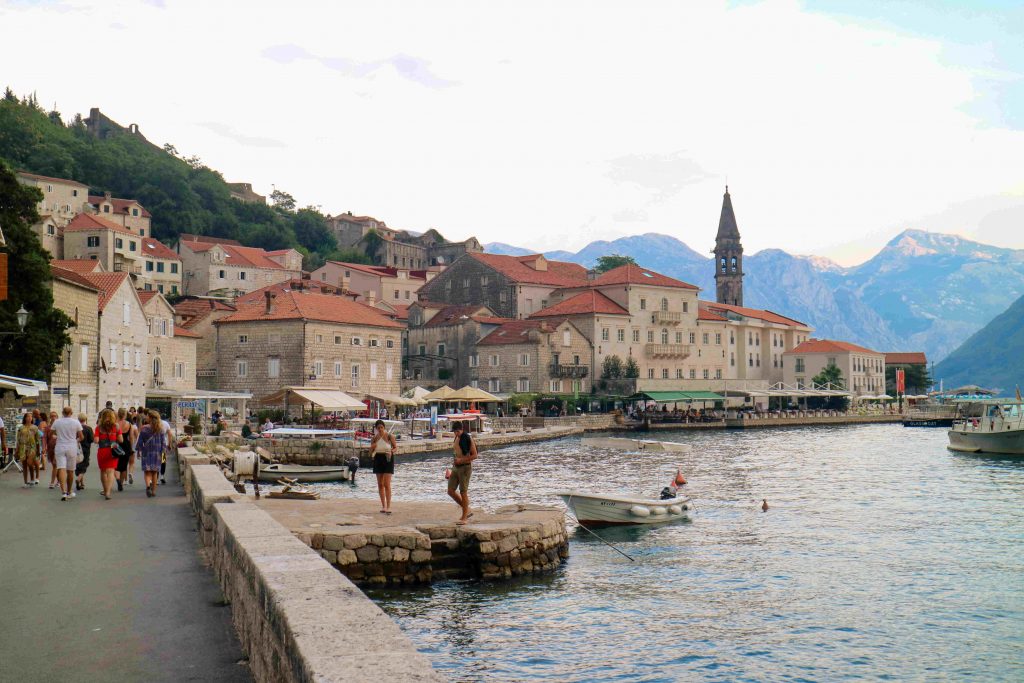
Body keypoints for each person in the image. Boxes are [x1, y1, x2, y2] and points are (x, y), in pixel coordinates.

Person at [448, 421, 478, 525]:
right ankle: (467, 510)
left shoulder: (467, 438)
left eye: (458, 431)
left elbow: (474, 455)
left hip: (465, 467)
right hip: (456, 467)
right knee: (450, 491)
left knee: (463, 492)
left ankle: (464, 517)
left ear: (461, 430)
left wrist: (461, 460)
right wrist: (451, 468)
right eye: (455, 432)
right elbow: (456, 453)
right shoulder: (456, 438)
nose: (456, 433)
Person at [52, 406, 83, 502]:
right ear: (71, 412)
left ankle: (63, 491)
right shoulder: (76, 422)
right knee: (70, 470)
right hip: (71, 447)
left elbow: (53, 434)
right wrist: (75, 440)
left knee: (61, 468)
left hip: (60, 446)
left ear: (62, 412)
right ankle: (69, 491)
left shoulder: (57, 422)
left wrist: (58, 436)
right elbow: (81, 437)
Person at [135, 410, 167, 498]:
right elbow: (163, 443)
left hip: (147, 452)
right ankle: (153, 491)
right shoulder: (161, 429)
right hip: (157, 453)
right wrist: (163, 454)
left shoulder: (144, 429)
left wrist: (138, 451)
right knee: (155, 472)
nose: (146, 418)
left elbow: (140, 441)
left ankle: (148, 486)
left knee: (147, 471)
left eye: (148, 416)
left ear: (150, 418)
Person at [370, 419, 398, 514]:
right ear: (376, 429)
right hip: (378, 458)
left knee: (387, 483)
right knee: (380, 484)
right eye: (378, 428)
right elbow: (370, 452)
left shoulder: (390, 436)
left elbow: (395, 448)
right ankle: (383, 506)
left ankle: (388, 506)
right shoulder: (374, 438)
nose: (380, 429)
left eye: (382, 427)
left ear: (384, 427)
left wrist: (391, 451)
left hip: (388, 458)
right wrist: (371, 448)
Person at [94, 409, 122, 500]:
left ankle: (105, 490)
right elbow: (121, 440)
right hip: (113, 451)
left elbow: (96, 441)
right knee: (111, 471)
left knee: (103, 471)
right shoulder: (116, 427)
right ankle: (108, 492)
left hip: (102, 451)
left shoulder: (98, 428)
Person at [16, 413, 40, 488]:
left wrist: (38, 449)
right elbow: (18, 440)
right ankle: (25, 482)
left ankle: (32, 478)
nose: (30, 418)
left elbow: (37, 440)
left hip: (32, 447)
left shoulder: (35, 427)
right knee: (24, 465)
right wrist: (17, 450)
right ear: (25, 418)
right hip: (23, 447)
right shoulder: (21, 428)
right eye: (28, 417)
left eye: (31, 417)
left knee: (30, 463)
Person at [115, 408, 137, 491]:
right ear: (125, 415)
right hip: (126, 445)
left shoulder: (115, 424)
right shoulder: (129, 424)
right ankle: (121, 483)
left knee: (115, 465)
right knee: (123, 466)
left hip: (116, 445)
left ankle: (117, 479)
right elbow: (131, 437)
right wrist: (131, 447)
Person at [76, 414, 93, 491]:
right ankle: (79, 479)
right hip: (86, 448)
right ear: (85, 419)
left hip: (77, 448)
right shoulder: (88, 428)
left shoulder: (76, 428)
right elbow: (91, 439)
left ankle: (82, 483)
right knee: (85, 464)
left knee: (79, 464)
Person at [44, 410, 58, 488]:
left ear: (57, 417)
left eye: (54, 416)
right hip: (50, 448)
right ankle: (59, 480)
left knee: (55, 465)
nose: (53, 417)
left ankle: (52, 482)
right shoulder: (48, 427)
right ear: (50, 418)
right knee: (55, 465)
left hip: (59, 448)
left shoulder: (59, 426)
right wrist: (44, 447)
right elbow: (45, 437)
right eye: (52, 416)